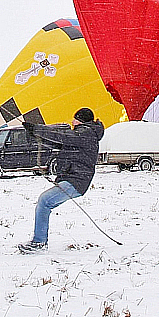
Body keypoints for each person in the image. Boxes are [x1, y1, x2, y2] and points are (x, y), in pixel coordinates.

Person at [18, 107, 104, 253]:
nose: (72, 121)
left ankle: (39, 243)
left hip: (76, 180)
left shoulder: (85, 133)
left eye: (75, 118)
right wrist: (34, 133)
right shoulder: (82, 134)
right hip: (73, 179)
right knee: (45, 203)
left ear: (81, 120)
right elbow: (57, 143)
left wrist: (38, 128)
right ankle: (39, 241)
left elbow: (61, 136)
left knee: (45, 201)